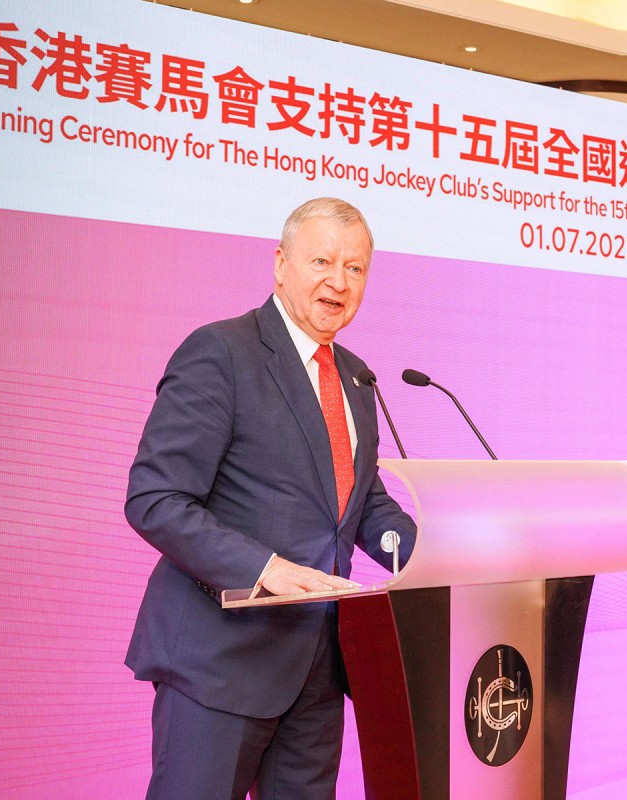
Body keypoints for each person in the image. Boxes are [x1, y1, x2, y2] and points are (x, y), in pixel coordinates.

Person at [124, 197, 416, 800]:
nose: (339, 281)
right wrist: (267, 570)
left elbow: (362, 508)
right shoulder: (221, 353)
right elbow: (156, 497)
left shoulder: (357, 379)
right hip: (220, 661)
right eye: (322, 261)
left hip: (319, 669)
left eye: (356, 268)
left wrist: (439, 554)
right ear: (280, 264)